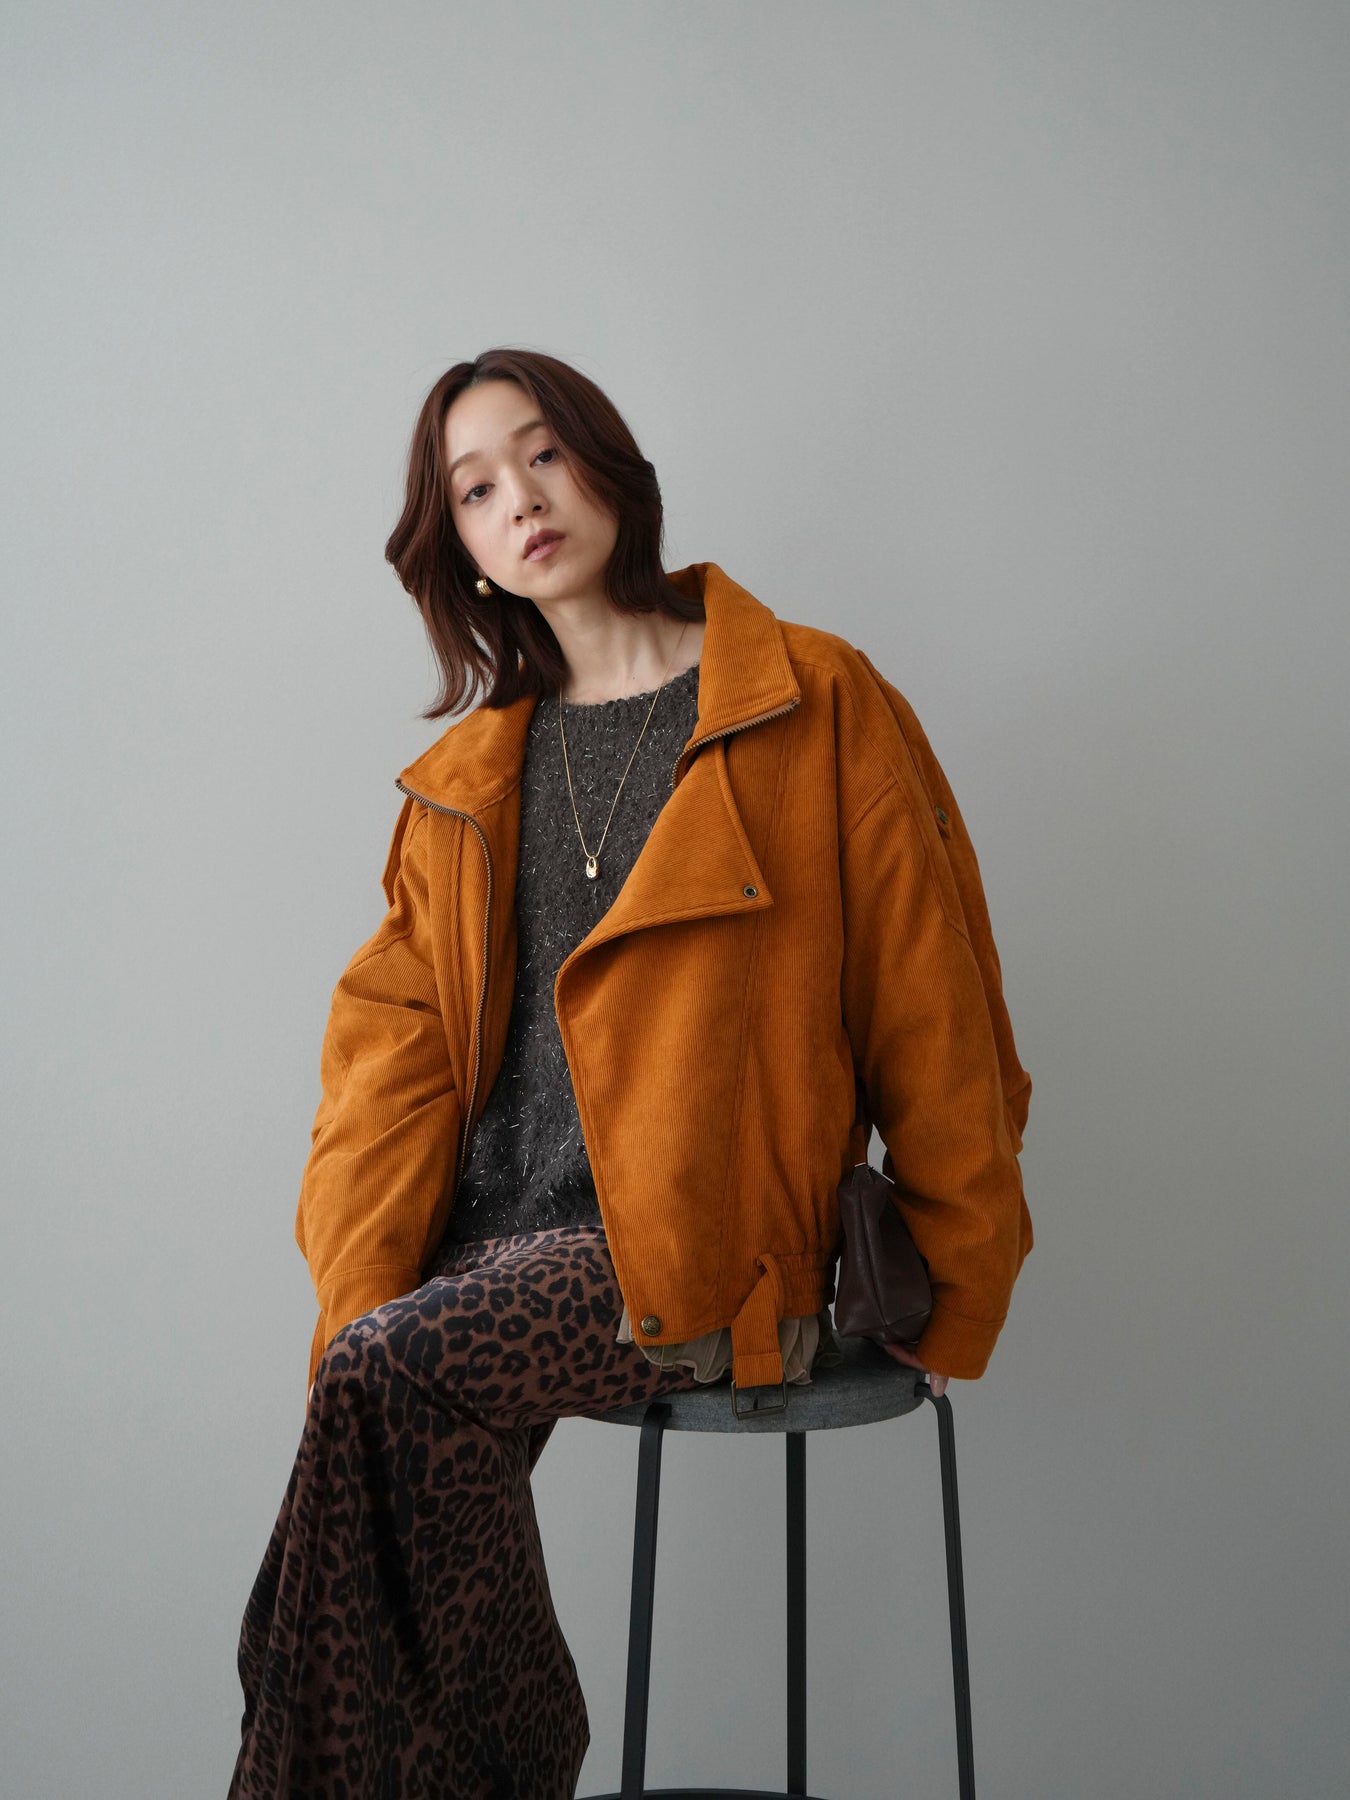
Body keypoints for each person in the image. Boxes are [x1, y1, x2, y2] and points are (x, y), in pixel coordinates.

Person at [227, 347, 1033, 1799]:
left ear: (606, 462)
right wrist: (361, 1297)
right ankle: (501, 1755)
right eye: (475, 490)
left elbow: (936, 1000)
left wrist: (958, 1277)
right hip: (485, 1246)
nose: (521, 502)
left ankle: (522, 1751)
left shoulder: (810, 698)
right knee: (302, 1581)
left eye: (542, 454)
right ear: (459, 548)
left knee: (373, 1408)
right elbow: (385, 1077)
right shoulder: (467, 783)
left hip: (691, 1245)